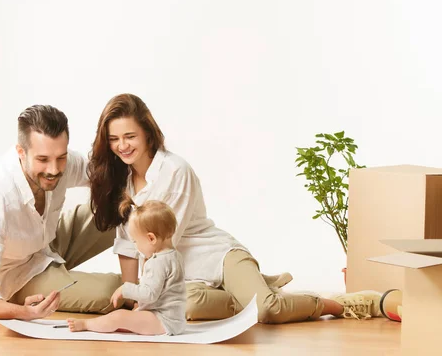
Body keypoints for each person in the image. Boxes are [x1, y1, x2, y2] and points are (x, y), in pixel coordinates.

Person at [87, 94, 382, 324]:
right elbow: (128, 244)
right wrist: (130, 296)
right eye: (114, 139)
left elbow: (164, 245)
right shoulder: (119, 180)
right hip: (187, 278)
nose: (122, 146)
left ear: (148, 134)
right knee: (187, 307)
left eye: (130, 136)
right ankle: (255, 289)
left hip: (217, 258)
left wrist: (143, 300)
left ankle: (336, 303)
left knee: (267, 310)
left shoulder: (175, 171)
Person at [0, 105, 122, 320]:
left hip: (45, 245)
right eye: (43, 160)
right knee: (110, 292)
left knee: (121, 206)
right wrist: (24, 312)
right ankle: (165, 291)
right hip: (16, 275)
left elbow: (100, 175)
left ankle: (161, 270)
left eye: (61, 157)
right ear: (21, 152)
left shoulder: (59, 161)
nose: (54, 170)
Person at [68, 198, 187, 335]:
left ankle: (86, 324)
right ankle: (106, 324)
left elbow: (149, 295)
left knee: (119, 317)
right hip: (174, 320)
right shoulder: (174, 255)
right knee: (128, 319)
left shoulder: (157, 262)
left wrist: (125, 289)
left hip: (163, 320)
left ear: (151, 239)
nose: (135, 246)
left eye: (136, 241)